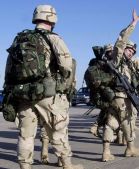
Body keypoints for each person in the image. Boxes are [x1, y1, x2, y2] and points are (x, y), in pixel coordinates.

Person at [3, 5, 82, 169]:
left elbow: (9, 69)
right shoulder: (53, 38)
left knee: (26, 135)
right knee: (58, 131)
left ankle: (25, 166)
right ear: (52, 18)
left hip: (24, 94)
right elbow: (67, 66)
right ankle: (67, 165)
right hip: (48, 94)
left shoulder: (19, 39)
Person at [101, 9, 139, 162]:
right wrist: (133, 24)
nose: (131, 53)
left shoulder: (126, 65)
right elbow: (121, 39)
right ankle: (130, 148)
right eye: (129, 49)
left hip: (116, 97)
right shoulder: (117, 58)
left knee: (111, 122)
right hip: (120, 96)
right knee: (126, 121)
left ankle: (106, 152)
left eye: (133, 52)